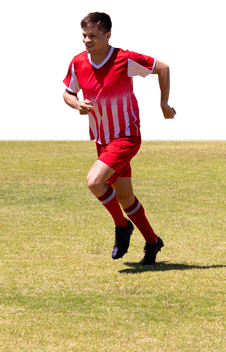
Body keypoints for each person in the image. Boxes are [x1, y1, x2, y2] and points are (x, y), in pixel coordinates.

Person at [60, 11, 176, 265]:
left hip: (126, 136)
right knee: (124, 197)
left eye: (92, 35)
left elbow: (163, 68)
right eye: (83, 35)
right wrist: (75, 103)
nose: (86, 40)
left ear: (108, 35)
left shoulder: (125, 59)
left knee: (94, 182)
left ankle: (121, 226)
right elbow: (68, 93)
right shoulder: (78, 62)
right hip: (102, 139)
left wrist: (164, 103)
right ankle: (152, 241)